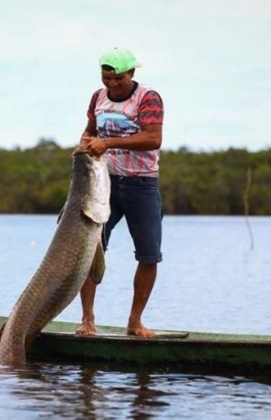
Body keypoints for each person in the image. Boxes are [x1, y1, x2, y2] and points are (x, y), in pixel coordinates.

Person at [75, 47, 164, 338]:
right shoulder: (98, 98)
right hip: (105, 184)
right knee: (90, 249)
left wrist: (108, 143)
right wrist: (83, 145)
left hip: (141, 184)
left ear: (132, 74)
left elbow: (153, 138)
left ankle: (135, 321)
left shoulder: (148, 98)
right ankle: (87, 320)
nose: (112, 84)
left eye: (119, 79)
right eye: (107, 77)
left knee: (149, 254)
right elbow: (90, 131)